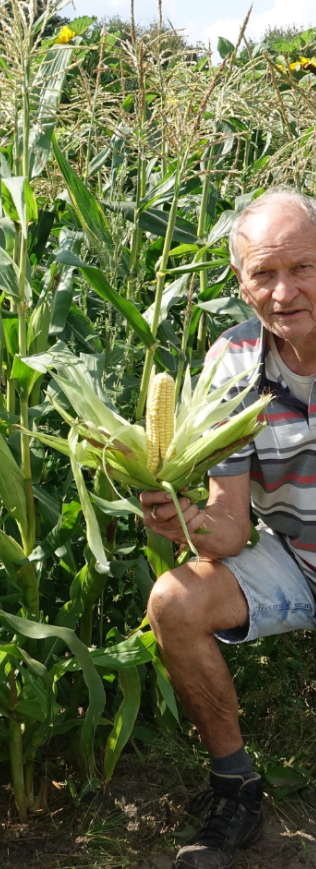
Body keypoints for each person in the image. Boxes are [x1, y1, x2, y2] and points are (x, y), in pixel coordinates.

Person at [140, 186, 316, 869]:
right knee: (174, 602)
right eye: (263, 274)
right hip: (296, 561)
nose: (284, 292)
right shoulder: (235, 363)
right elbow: (230, 527)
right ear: (241, 286)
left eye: (302, 268)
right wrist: (184, 524)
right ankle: (236, 790)